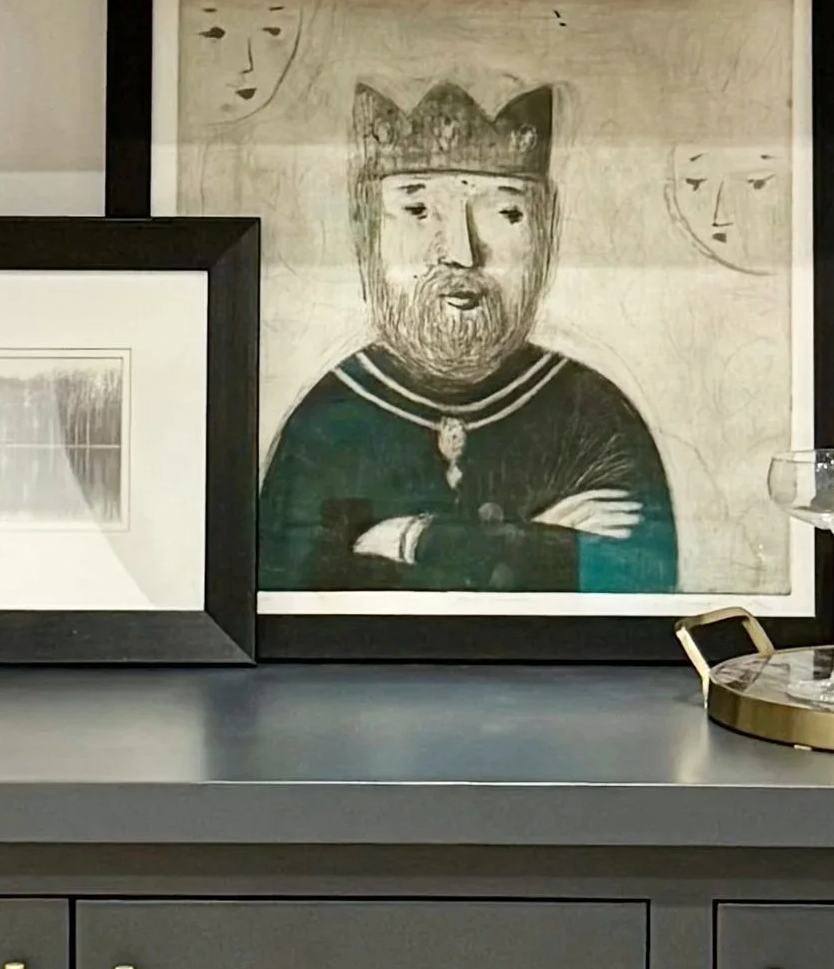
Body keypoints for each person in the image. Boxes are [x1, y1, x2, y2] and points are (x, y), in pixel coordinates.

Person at [258, 78, 678, 594]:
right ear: (368, 232)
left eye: (505, 214)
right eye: (417, 211)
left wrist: (415, 538)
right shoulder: (326, 422)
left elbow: (638, 588)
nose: (461, 251)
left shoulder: (592, 413)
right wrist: (538, 544)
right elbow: (295, 605)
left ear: (545, 233)